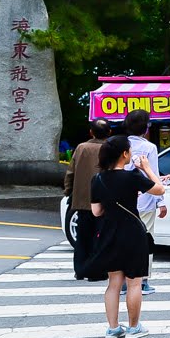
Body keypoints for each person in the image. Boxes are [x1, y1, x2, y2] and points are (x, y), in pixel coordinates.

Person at [86, 135, 165, 338]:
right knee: (134, 283)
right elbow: (160, 189)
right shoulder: (132, 177)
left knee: (113, 284)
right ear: (124, 154)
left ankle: (112, 328)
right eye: (129, 150)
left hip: (110, 233)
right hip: (133, 234)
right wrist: (146, 168)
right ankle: (133, 327)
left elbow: (96, 211)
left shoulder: (98, 179)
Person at [63, 118, 111, 279]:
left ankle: (80, 270)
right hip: (104, 201)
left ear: (91, 132)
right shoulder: (110, 149)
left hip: (82, 200)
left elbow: (70, 172)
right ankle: (97, 271)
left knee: (83, 238)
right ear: (109, 132)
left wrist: (69, 191)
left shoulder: (81, 148)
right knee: (101, 237)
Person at [123, 110, 163, 296]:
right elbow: (153, 176)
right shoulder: (150, 148)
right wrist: (160, 201)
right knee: (145, 241)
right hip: (145, 201)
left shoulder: (120, 145)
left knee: (124, 241)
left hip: (123, 201)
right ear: (146, 128)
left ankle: (123, 281)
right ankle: (144, 281)